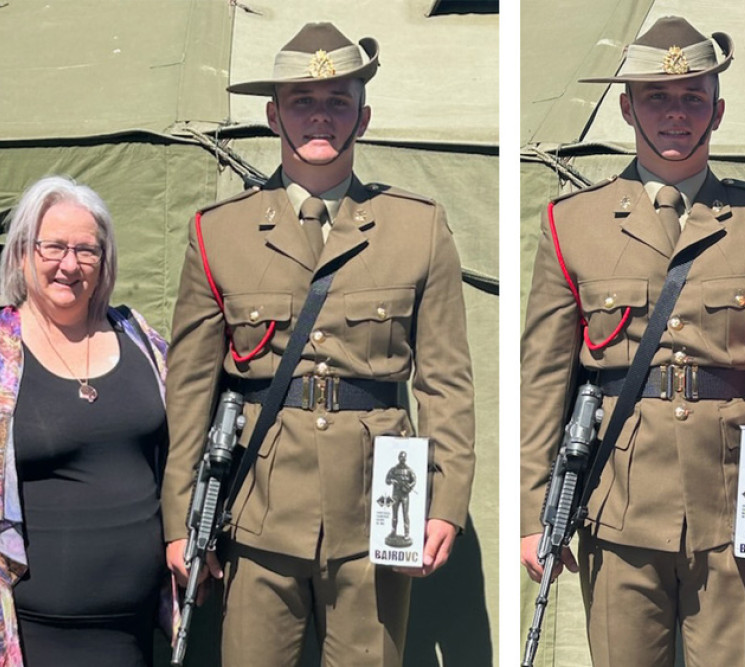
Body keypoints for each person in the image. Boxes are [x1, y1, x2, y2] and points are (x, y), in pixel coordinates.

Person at [160, 22, 475, 667]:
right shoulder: (219, 233)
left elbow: (444, 382)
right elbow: (190, 389)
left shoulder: (418, 228)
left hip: (381, 499)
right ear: (274, 115)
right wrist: (181, 516)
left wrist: (447, 501)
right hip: (258, 502)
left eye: (338, 101)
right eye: (303, 101)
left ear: (364, 115)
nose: (320, 116)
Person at [519, 16, 745, 666]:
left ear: (718, 109)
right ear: (627, 106)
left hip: (743, 497)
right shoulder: (572, 223)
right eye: (657, 97)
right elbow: (542, 381)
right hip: (618, 496)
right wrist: (531, 508)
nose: (676, 113)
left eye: (693, 97)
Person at [0, 176, 170, 666]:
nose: (69, 265)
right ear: (21, 255)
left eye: (86, 250)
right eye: (53, 246)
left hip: (133, 632)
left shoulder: (141, 340)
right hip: (35, 635)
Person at [386, 451, 416, 543]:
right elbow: (387, 480)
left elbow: (414, 480)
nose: (402, 459)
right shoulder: (393, 469)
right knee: (394, 514)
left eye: (404, 457)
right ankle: (393, 532)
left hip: (405, 495)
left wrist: (409, 487)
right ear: (399, 458)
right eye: (401, 457)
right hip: (395, 494)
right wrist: (392, 481)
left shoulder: (409, 470)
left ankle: (406, 533)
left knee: (405, 515)